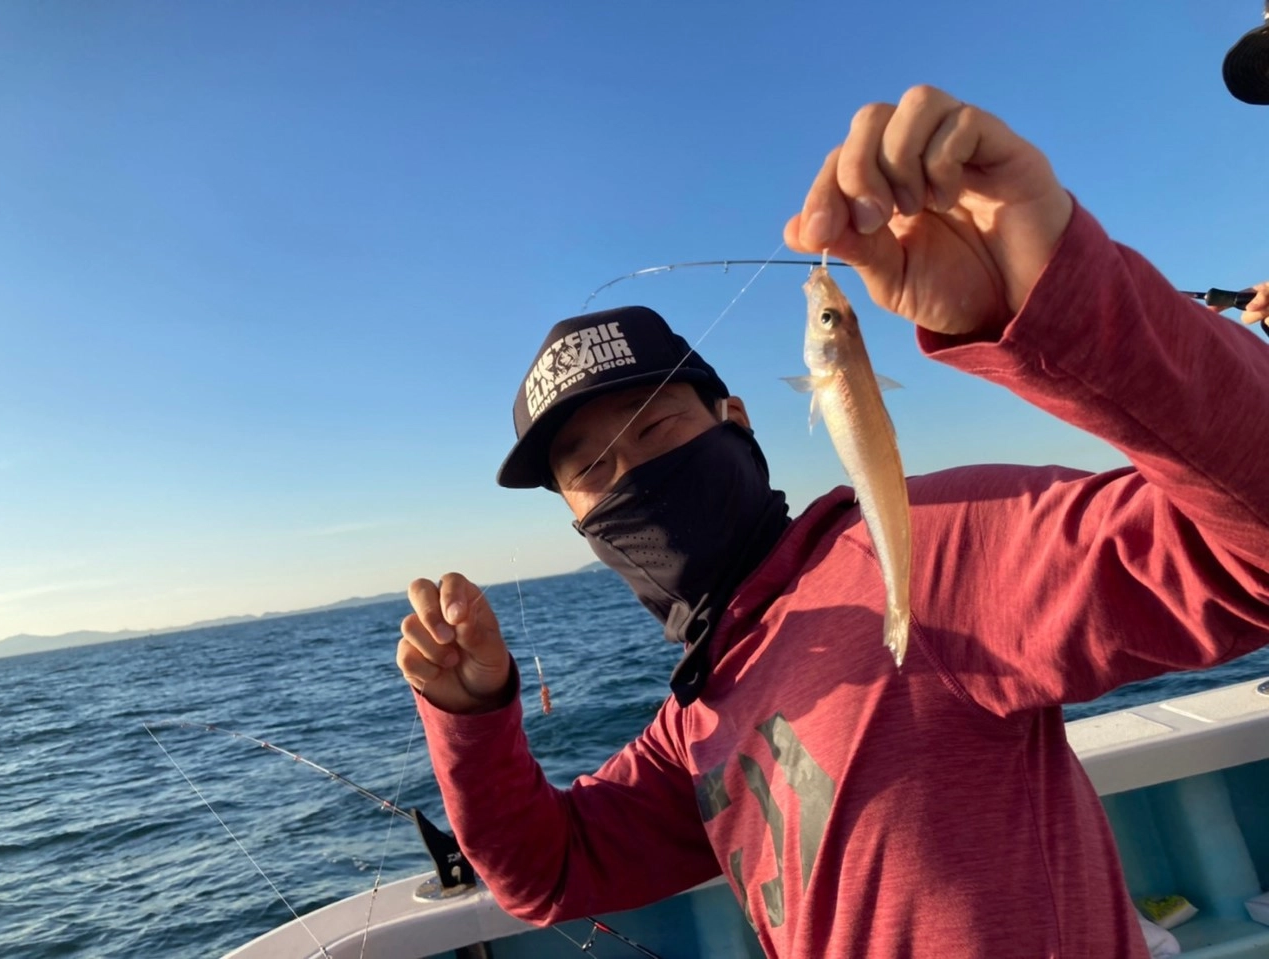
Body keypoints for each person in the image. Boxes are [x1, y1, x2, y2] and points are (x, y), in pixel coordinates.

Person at [395, 85, 1269, 959]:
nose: (632, 475)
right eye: (590, 469)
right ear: (577, 517)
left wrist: (1060, 296)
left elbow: (1243, 554)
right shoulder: (697, 720)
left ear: (737, 420)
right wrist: (471, 713)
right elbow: (545, 870)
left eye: (656, 428)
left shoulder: (934, 548)